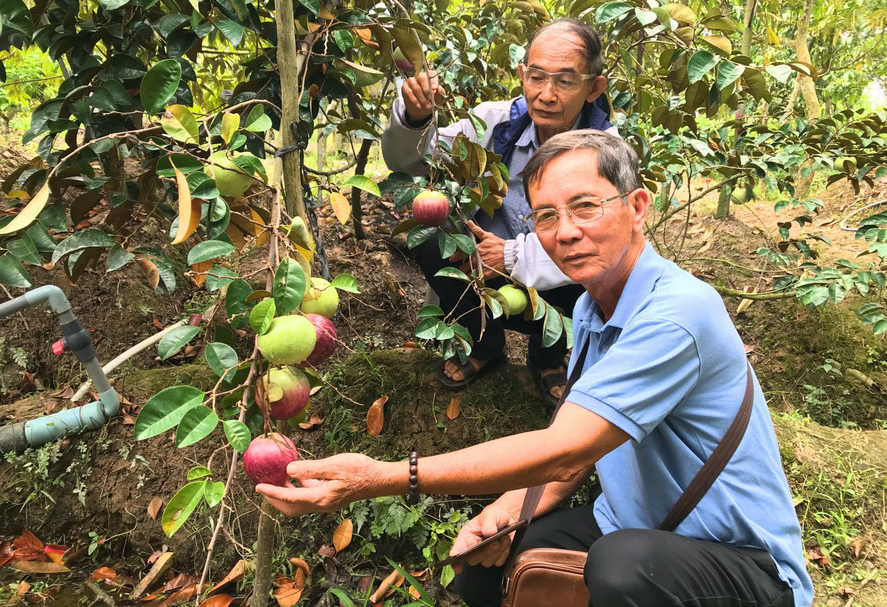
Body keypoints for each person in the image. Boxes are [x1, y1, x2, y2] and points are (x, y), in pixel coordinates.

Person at [258, 130, 814, 607]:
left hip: (744, 561)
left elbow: (567, 448)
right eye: (546, 215)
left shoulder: (677, 314)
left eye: (586, 207)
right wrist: (506, 511)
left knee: (622, 569)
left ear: (638, 206)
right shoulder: (596, 310)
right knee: (481, 563)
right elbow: (578, 455)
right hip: (633, 523)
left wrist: (383, 478)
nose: (565, 231)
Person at [381, 18, 619, 404]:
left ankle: (548, 357)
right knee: (431, 235)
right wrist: (416, 118)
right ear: (522, 74)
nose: (546, 94)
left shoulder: (606, 152)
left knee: (590, 262)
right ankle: (483, 343)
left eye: (565, 81)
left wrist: (510, 256)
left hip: (558, 286)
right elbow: (412, 159)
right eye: (537, 77)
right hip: (482, 278)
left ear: (594, 88)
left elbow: (605, 242)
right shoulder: (497, 123)